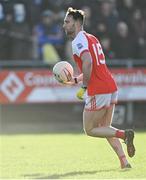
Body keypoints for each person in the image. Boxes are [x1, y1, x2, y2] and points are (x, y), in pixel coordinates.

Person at [62, 7, 135, 169]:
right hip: (110, 85)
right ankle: (124, 162)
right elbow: (92, 66)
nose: (64, 25)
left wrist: (84, 86)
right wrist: (75, 79)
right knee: (105, 128)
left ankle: (124, 134)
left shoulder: (78, 41)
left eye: (67, 22)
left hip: (99, 89)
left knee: (90, 129)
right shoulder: (92, 38)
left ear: (77, 23)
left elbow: (88, 63)